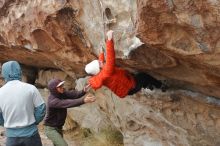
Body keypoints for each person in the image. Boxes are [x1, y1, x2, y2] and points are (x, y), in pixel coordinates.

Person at [85, 30, 167, 98]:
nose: (101, 61)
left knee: (136, 76)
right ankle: (160, 85)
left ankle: (148, 86)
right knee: (143, 76)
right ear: (99, 69)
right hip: (130, 87)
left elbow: (100, 62)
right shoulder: (107, 72)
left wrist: (101, 53)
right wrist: (109, 40)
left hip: (124, 89)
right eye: (99, 63)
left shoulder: (98, 75)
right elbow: (110, 57)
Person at [0, 61, 46, 146]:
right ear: (19, 71)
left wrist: (6, 123)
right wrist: (34, 121)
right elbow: (41, 108)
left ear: (4, 73)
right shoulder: (31, 88)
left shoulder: (0, 92)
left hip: (12, 137)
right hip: (31, 134)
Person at [44, 78, 96, 146]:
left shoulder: (62, 93)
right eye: (59, 87)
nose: (62, 87)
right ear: (54, 89)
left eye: (62, 85)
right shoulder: (52, 101)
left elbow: (74, 94)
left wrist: (83, 91)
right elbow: (68, 103)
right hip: (51, 129)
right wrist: (83, 100)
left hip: (59, 128)